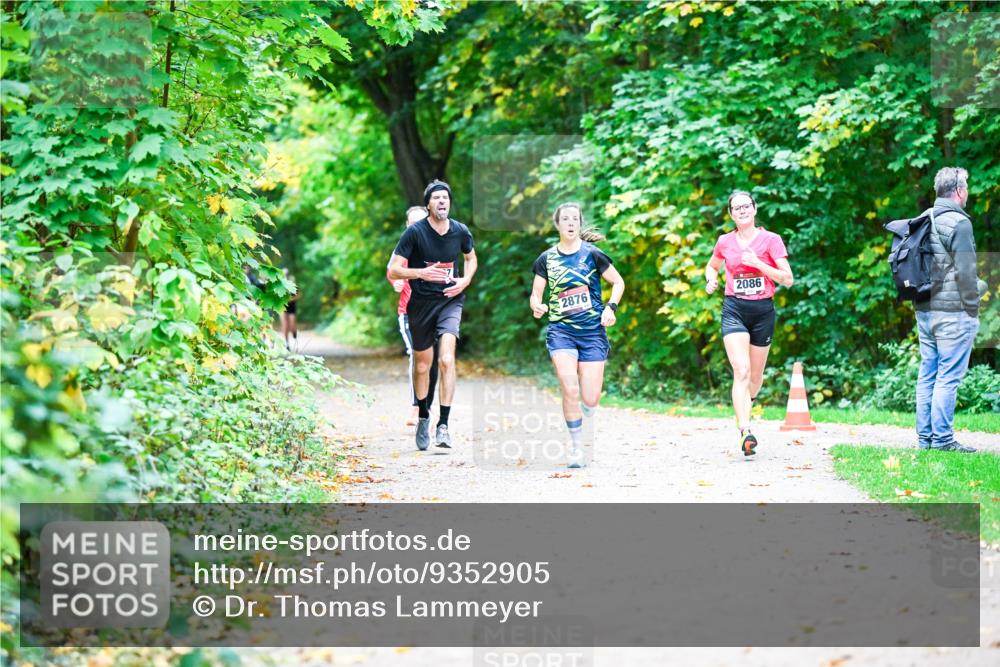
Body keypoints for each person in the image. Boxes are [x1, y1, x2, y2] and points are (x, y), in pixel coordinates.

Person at [530, 203, 624, 468]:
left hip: (593, 332)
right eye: (565, 219)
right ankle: (575, 447)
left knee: (590, 398)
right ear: (557, 224)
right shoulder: (546, 259)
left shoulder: (593, 255)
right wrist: (537, 305)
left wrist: (611, 307)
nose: (570, 223)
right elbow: (536, 294)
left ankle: (584, 415)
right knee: (570, 387)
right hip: (561, 332)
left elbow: (618, 282)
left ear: (580, 224)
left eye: (575, 219)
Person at [388, 180, 477, 451]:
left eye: (445, 198)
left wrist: (465, 280)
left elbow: (471, 258)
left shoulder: (460, 231)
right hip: (421, 304)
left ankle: (444, 426)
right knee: (423, 365)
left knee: (447, 359)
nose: (442, 202)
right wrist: (420, 273)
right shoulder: (415, 233)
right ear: (428, 204)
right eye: (436, 198)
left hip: (450, 300)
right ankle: (424, 417)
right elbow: (393, 269)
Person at [705, 191, 793, 458]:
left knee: (755, 378)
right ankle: (745, 430)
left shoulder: (771, 240)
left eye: (746, 206)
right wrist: (711, 279)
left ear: (754, 209)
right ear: (731, 214)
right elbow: (712, 266)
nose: (742, 211)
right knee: (740, 370)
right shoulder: (725, 241)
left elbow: (787, 279)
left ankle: (747, 405)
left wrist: (758, 264)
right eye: (736, 208)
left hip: (763, 311)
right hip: (734, 309)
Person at [913, 167, 984, 453]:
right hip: (952, 311)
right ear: (958, 191)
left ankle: (925, 440)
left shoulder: (923, 219)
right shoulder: (960, 223)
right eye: (965, 187)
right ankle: (943, 440)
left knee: (928, 372)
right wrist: (973, 308)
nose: (967, 192)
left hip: (924, 308)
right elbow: (967, 273)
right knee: (948, 375)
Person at [387, 205, 439, 427]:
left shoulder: (439, 244)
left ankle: (426, 406)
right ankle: (415, 406)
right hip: (408, 311)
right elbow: (392, 270)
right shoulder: (403, 247)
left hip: (435, 310)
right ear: (407, 226)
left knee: (434, 359)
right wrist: (396, 282)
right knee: (417, 356)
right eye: (412, 223)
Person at [282, 268, 301, 351]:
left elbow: (299, 294)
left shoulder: (292, 283)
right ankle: (287, 343)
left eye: (286, 274)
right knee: (285, 325)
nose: (285, 275)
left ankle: (294, 336)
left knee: (292, 324)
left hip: (292, 306)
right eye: (284, 274)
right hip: (282, 306)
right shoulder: (279, 284)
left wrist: (291, 299)